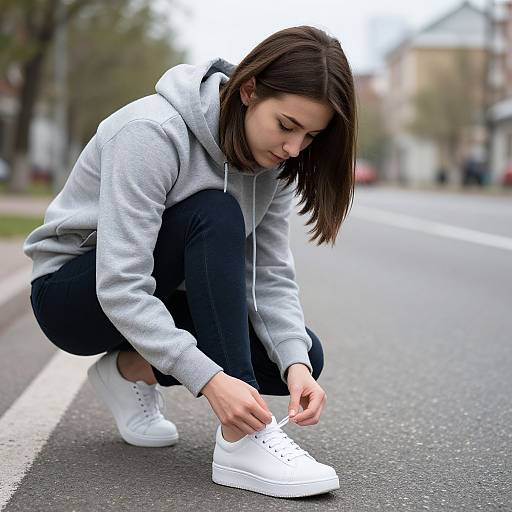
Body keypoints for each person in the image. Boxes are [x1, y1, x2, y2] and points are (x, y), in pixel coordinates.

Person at [24, 25, 356, 498]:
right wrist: (213, 381)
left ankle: (128, 370)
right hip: (74, 296)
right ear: (248, 90)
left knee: (300, 353)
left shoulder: (274, 165)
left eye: (310, 137)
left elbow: (267, 276)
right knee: (216, 210)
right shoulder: (151, 133)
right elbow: (120, 285)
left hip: (157, 292)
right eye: (286, 125)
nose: (293, 149)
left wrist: (296, 364)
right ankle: (244, 440)